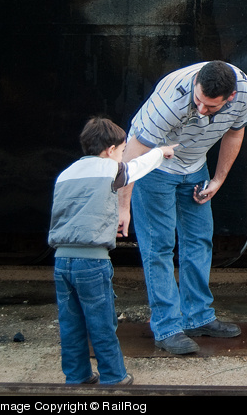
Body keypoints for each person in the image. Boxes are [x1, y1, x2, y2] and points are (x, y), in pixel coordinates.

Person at [119, 60, 247, 355]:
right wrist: (123, 206)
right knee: (159, 245)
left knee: (199, 239)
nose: (202, 110)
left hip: (195, 166)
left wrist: (218, 179)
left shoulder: (243, 91)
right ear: (195, 84)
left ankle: (197, 317)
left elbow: (235, 131)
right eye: (199, 101)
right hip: (153, 166)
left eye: (211, 106)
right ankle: (167, 328)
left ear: (230, 97)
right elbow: (133, 154)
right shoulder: (171, 102)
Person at [49, 116, 176, 386]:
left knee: (70, 323)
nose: (122, 157)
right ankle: (114, 376)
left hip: (62, 260)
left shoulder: (66, 173)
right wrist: (161, 152)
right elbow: (137, 167)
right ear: (110, 150)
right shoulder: (110, 169)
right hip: (91, 263)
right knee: (101, 322)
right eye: (121, 151)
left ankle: (77, 376)